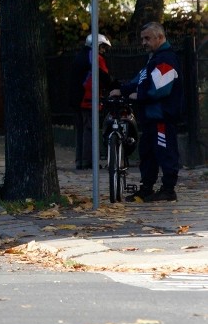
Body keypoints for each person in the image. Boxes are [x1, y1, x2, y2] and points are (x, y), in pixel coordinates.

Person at [110, 22, 183, 202]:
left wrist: (138, 95)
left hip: (162, 116)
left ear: (160, 37)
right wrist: (124, 90)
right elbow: (141, 78)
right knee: (148, 153)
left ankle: (168, 190)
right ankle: (147, 189)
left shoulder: (166, 59)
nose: (143, 42)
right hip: (152, 116)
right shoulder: (155, 58)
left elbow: (161, 88)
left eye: (147, 38)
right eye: (142, 38)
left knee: (164, 152)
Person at [69, 34, 114, 170]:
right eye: (102, 47)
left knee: (80, 130)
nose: (104, 51)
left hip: (76, 99)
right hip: (88, 99)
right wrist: (115, 86)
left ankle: (80, 160)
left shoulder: (79, 56)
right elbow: (104, 77)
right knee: (90, 130)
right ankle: (88, 161)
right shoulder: (96, 58)